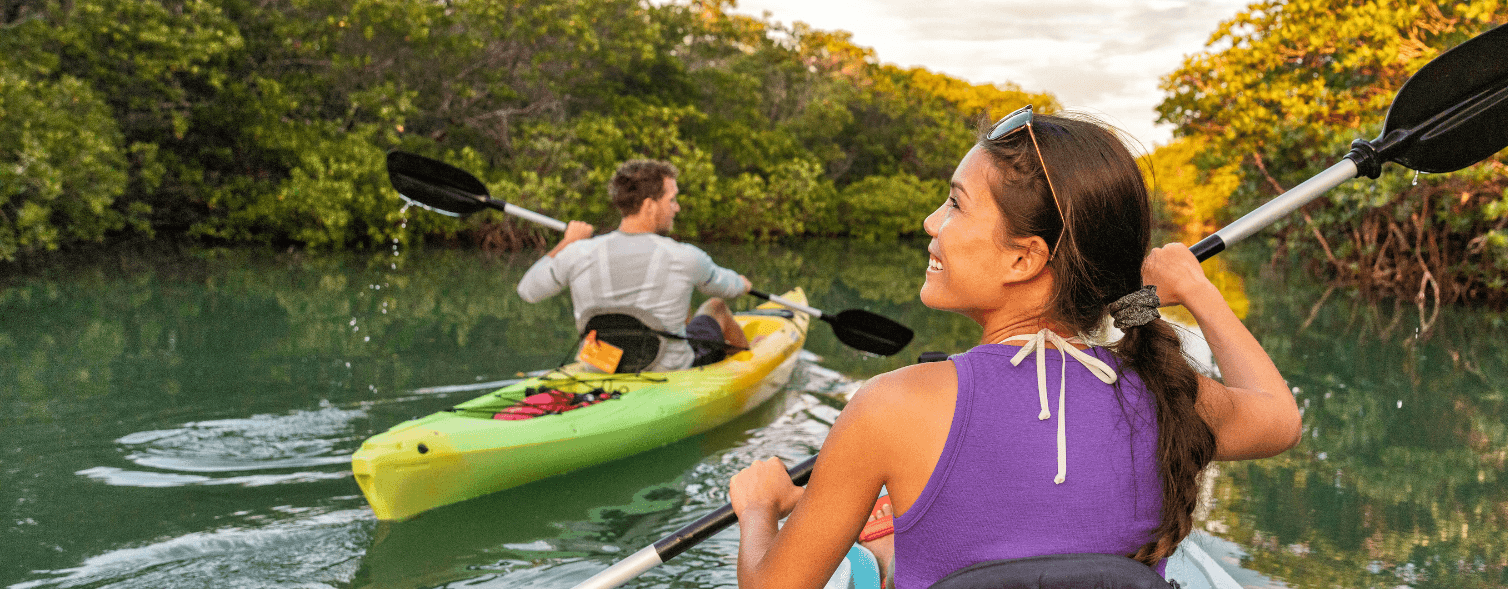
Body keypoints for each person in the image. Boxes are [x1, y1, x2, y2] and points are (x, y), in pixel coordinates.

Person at [727, 108, 1302, 589]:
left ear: (1024, 258)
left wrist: (759, 506)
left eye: (954, 204)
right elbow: (1279, 419)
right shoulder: (1166, 392)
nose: (932, 223)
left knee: (883, 548)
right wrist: (1198, 291)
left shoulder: (890, 407)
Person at [516, 159, 752, 372]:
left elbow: (527, 291)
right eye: (672, 199)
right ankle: (750, 365)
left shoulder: (578, 252)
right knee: (716, 307)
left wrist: (567, 243)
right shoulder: (685, 257)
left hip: (600, 367)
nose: (677, 208)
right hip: (667, 370)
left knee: (684, 307)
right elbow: (728, 288)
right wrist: (743, 284)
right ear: (650, 206)